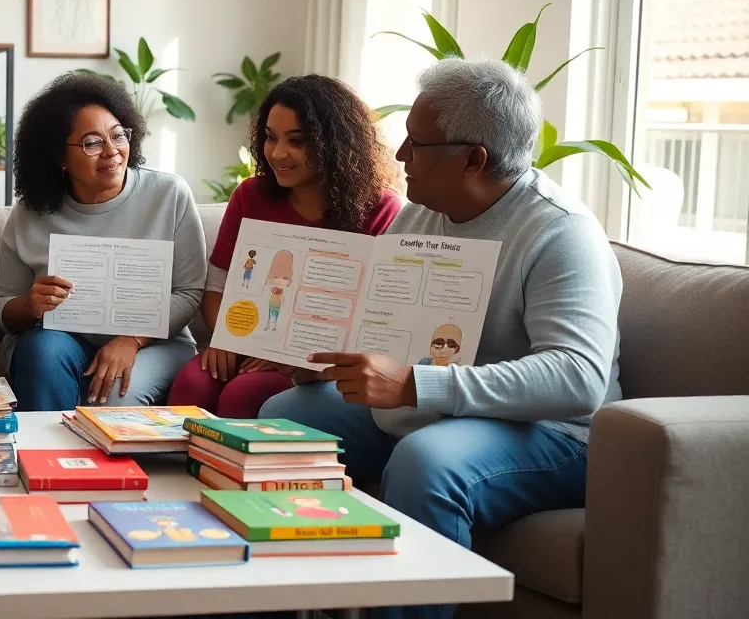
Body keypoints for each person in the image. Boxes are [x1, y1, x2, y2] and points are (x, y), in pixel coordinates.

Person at [260, 58, 622, 619]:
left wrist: (416, 384)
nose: (400, 156)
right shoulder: (419, 216)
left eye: (415, 144)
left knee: (427, 461)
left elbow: (578, 378)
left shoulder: (560, 233)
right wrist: (327, 359)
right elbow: (383, 323)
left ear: (472, 158)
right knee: (282, 420)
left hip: (550, 432)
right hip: (433, 402)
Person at [167, 75, 401, 418]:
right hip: (244, 342)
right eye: (270, 138)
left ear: (335, 143)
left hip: (321, 362)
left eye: (296, 141)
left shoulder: (382, 208)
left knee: (243, 394)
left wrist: (288, 354)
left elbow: (375, 317)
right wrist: (229, 339)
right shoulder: (250, 195)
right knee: (193, 384)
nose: (278, 153)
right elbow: (216, 287)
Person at [0, 73, 208, 410]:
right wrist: (30, 306)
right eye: (92, 143)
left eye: (118, 135)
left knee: (117, 404)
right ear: (59, 158)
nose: (112, 152)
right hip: (61, 341)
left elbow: (189, 292)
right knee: (42, 349)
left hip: (154, 344)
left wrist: (131, 340)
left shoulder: (169, 195)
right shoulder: (30, 213)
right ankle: (44, 459)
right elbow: (0, 307)